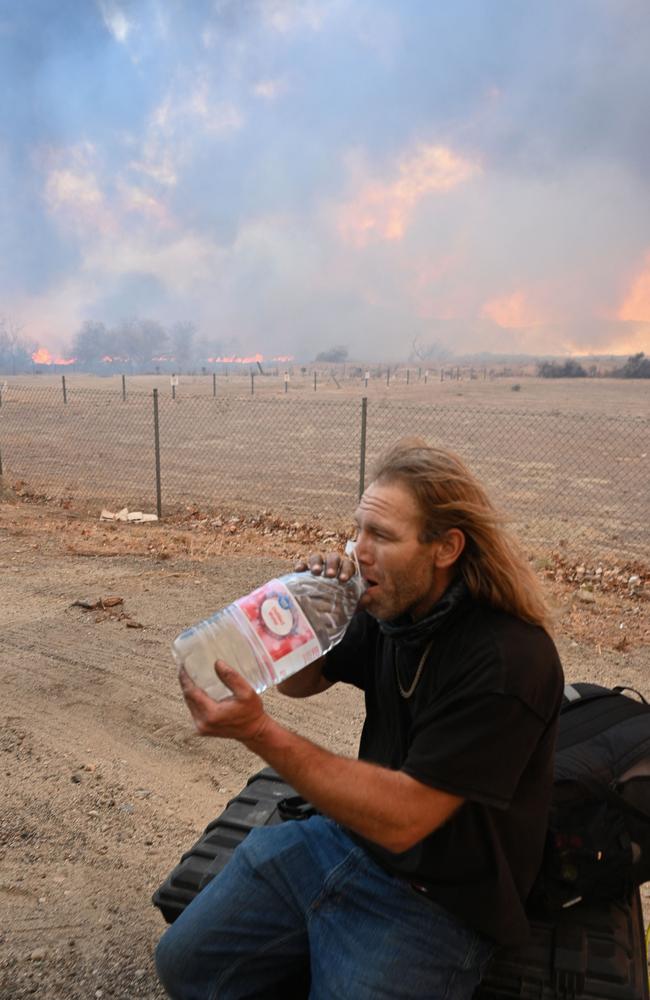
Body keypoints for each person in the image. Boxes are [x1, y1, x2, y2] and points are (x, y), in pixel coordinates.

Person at [155, 437, 564, 1000]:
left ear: (445, 547)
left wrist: (257, 731)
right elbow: (303, 683)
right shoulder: (393, 603)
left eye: (382, 536)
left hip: (440, 899)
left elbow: (404, 818)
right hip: (348, 839)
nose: (357, 550)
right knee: (185, 964)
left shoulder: (507, 658)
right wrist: (303, 612)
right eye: (359, 529)